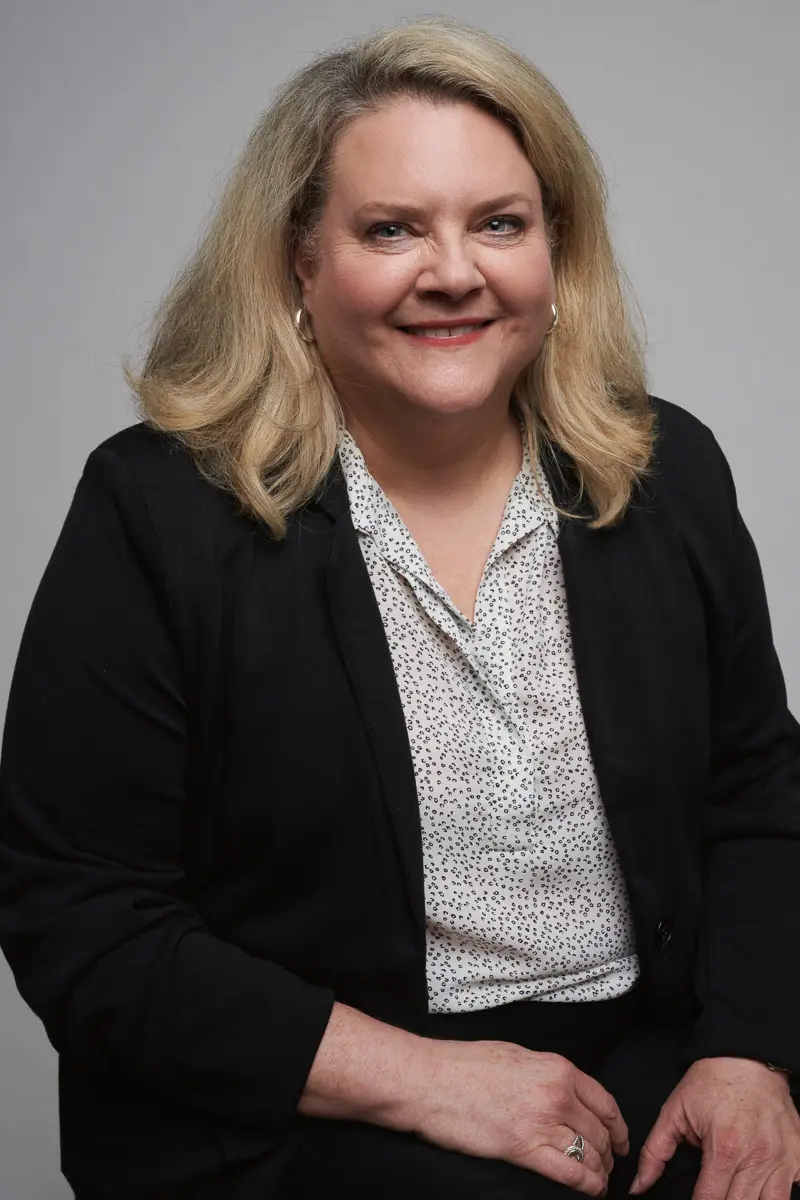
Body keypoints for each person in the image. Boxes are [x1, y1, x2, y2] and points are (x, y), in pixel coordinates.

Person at [1, 14, 799, 1200]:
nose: (454, 271)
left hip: (650, 1052)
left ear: (554, 250)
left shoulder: (664, 470)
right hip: (322, 1099)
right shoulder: (156, 511)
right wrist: (429, 1082)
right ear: (298, 265)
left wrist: (745, 1048)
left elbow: (755, 795)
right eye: (390, 228)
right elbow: (82, 915)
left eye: (498, 223)